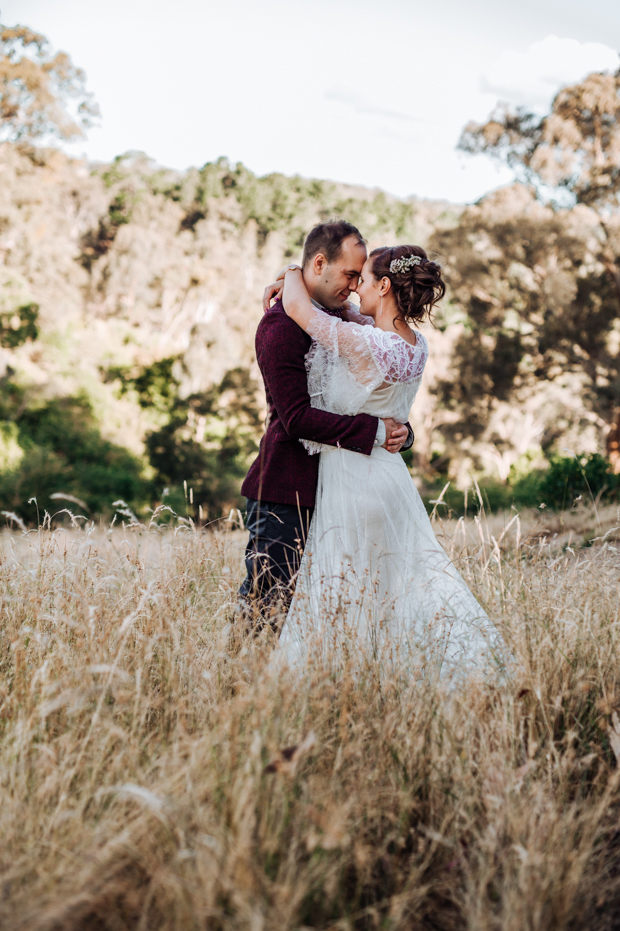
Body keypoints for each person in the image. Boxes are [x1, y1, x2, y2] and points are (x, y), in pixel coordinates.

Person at [270, 245, 505, 681]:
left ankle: (340, 681)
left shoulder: (364, 342)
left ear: (384, 284)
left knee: (343, 588)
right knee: (403, 585)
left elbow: (301, 308)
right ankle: (425, 671)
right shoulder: (414, 346)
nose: (355, 287)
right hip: (391, 479)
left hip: (353, 479)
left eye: (363, 279)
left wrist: (292, 271)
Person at [238, 221, 414, 632]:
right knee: (268, 611)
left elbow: (370, 395)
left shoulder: (343, 321)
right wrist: (374, 432)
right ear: (319, 264)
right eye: (350, 274)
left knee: (332, 614)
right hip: (286, 493)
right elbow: (295, 416)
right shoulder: (279, 326)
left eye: (360, 277)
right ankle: (244, 689)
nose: (355, 286)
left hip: (344, 491)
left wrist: (401, 430)